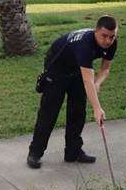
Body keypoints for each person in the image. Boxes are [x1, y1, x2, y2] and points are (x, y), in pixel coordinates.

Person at [27, 16, 118, 169]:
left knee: (78, 111)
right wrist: (97, 108)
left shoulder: (112, 44)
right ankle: (35, 153)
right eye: (104, 36)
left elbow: (105, 69)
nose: (108, 41)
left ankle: (73, 152)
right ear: (96, 31)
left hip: (77, 69)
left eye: (112, 36)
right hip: (57, 68)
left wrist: (98, 82)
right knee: (49, 112)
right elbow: (87, 80)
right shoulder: (85, 45)